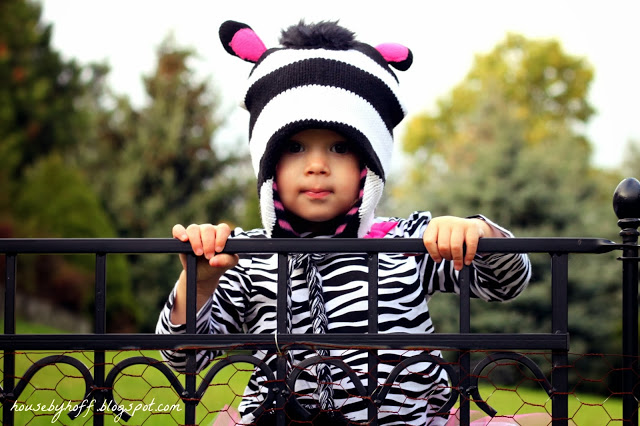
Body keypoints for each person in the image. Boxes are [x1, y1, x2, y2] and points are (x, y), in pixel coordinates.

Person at [156, 19, 531, 426]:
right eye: (295, 147)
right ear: (268, 167)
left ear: (367, 167)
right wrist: (199, 282)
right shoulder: (245, 255)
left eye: (339, 147)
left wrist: (478, 232)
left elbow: (505, 283)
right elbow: (182, 359)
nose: (317, 166)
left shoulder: (407, 242)